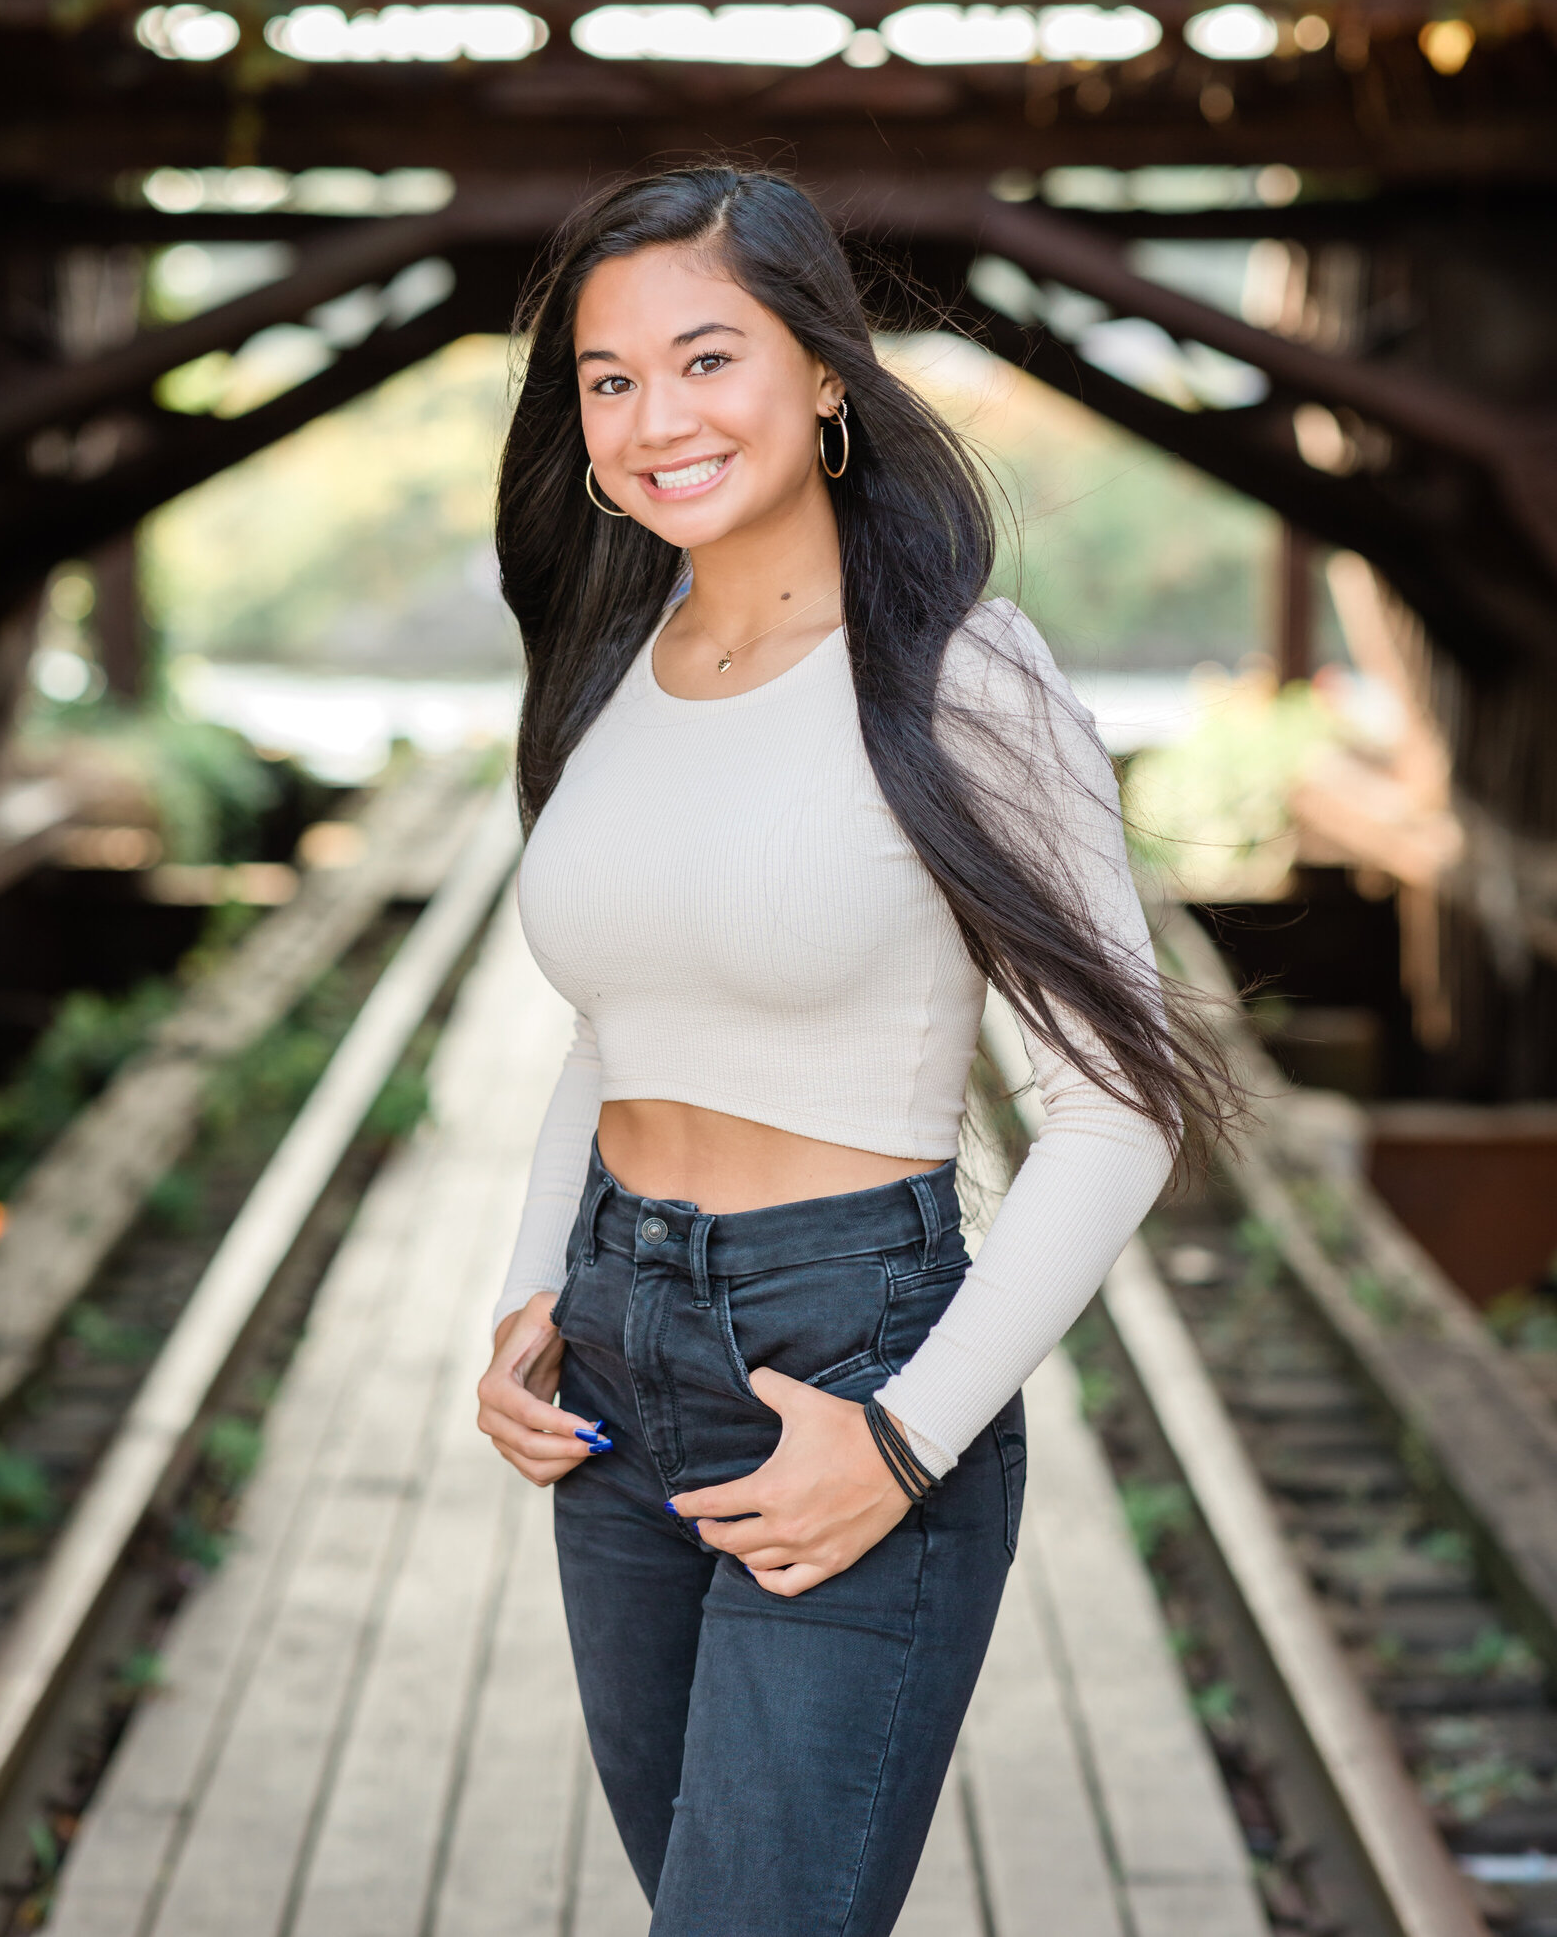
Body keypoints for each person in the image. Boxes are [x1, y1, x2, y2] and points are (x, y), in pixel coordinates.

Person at [476, 165, 1231, 1937]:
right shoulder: (613, 662)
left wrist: (905, 1441)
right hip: (613, 1367)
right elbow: (612, 1028)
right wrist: (530, 1293)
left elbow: (1115, 1116)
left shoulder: (968, 675)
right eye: (607, 378)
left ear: (825, 370)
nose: (656, 418)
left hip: (847, 1350)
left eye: (707, 357)